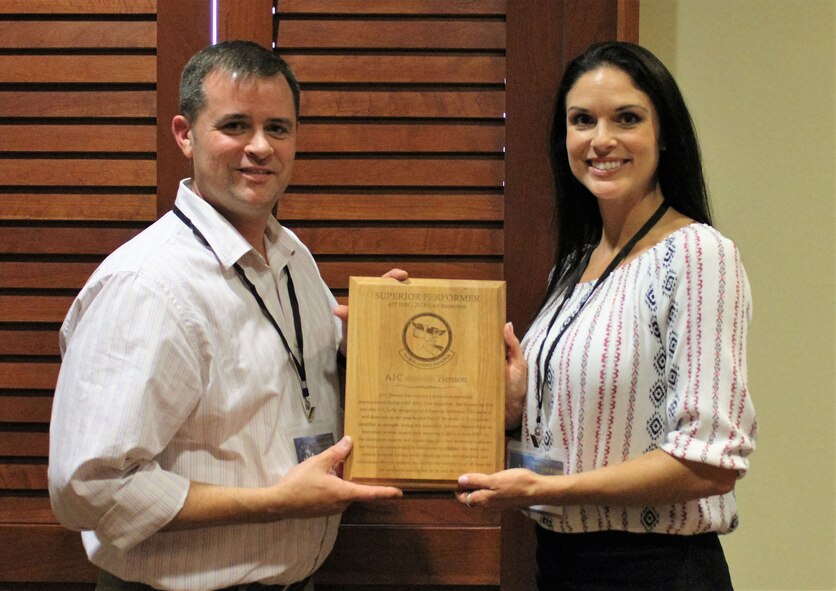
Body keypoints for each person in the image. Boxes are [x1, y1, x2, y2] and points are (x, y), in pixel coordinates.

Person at [48, 40, 404, 591]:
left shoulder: (292, 257)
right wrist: (271, 505)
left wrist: (368, 339)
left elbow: (275, 377)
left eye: (278, 129)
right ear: (185, 134)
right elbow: (91, 486)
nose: (260, 147)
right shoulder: (144, 284)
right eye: (235, 125)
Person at [455, 41, 757, 590]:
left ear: (663, 134)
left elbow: (711, 460)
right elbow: (586, 434)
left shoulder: (698, 254)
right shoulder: (575, 264)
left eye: (627, 118)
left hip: (655, 572)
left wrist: (548, 491)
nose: (601, 139)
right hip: (562, 564)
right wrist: (516, 410)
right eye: (582, 120)